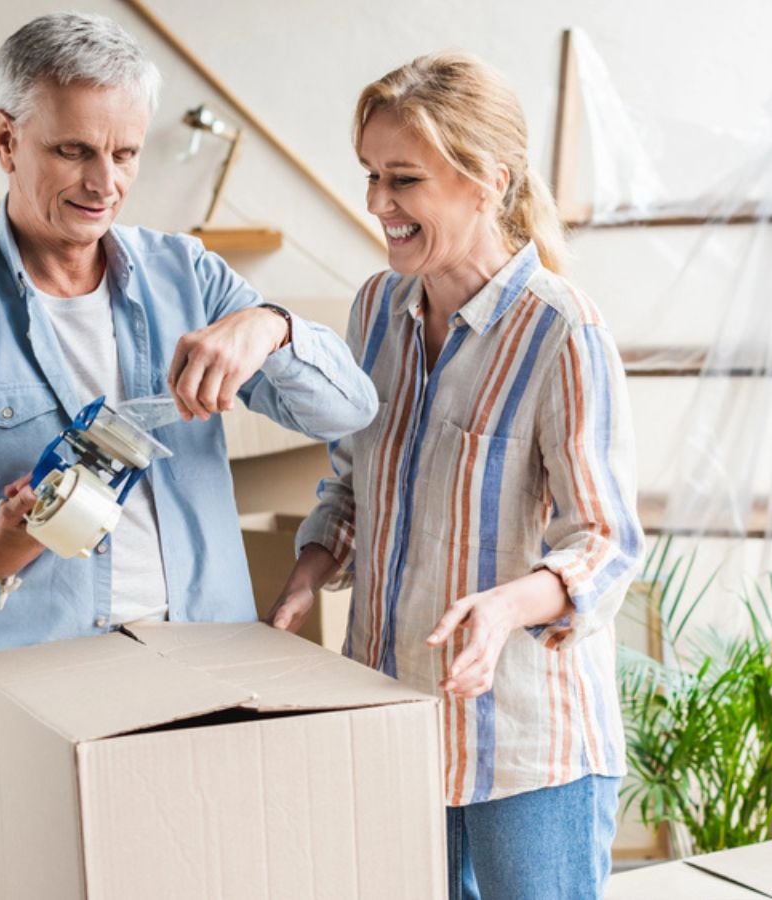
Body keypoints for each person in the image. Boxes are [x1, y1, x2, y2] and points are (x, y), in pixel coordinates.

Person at [0, 13, 376, 899]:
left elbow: (350, 407)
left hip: (201, 709)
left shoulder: (193, 280)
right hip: (19, 733)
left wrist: (271, 326)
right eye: (74, 152)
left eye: (127, 154)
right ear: (4, 137)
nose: (106, 184)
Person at [268, 52, 642, 898]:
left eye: (403, 179)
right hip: (392, 727)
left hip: (525, 754)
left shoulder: (562, 332)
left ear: (486, 182)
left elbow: (607, 544)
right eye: (370, 175)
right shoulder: (374, 310)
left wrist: (507, 606)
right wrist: (312, 570)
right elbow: (353, 483)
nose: (377, 205)